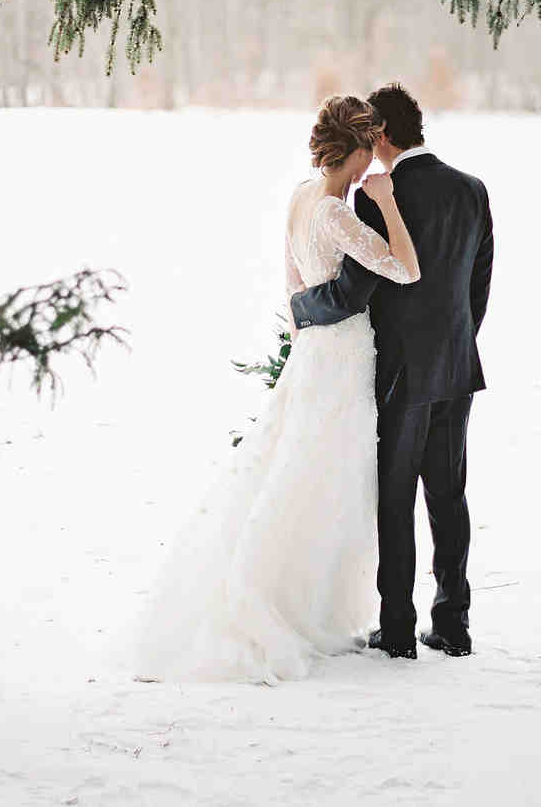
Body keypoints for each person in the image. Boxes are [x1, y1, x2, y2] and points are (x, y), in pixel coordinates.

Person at [131, 95, 420, 683]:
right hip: (341, 356)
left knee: (295, 467)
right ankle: (292, 603)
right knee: (328, 475)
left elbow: (292, 286)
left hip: (313, 350)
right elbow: (406, 268)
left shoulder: (298, 198)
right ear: (359, 149)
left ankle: (291, 597)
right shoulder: (338, 214)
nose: (372, 164)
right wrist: (388, 206)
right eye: (369, 152)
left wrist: (306, 340)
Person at [291, 83, 494, 660]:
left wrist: (301, 310)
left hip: (401, 373)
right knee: (449, 496)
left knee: (396, 498)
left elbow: (354, 292)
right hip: (458, 367)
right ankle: (453, 623)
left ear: (379, 134)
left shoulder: (377, 196)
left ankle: (399, 629)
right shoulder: (472, 190)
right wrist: (455, 343)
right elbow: (477, 286)